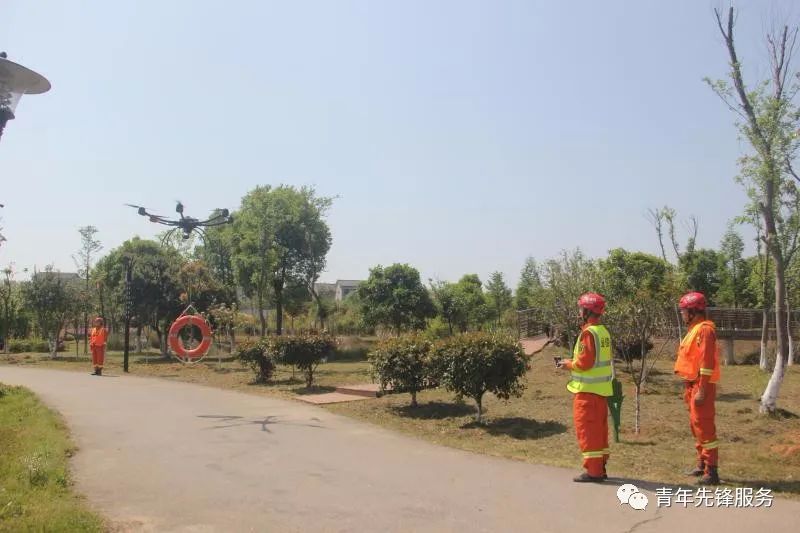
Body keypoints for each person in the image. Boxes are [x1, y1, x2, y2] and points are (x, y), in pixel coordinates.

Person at [557, 292, 614, 482]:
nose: (579, 312)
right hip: (601, 392)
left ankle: (594, 472)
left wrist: (568, 364)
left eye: (581, 309)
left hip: (587, 393)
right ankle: (600, 467)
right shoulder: (603, 332)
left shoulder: (588, 333)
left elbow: (585, 363)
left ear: (587, 311)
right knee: (599, 432)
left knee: (588, 432)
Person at [675, 292, 721, 485]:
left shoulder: (705, 331)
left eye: (684, 311)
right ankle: (702, 463)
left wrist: (702, 390)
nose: (682, 314)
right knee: (696, 426)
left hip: (702, 386)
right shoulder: (695, 330)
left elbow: (707, 362)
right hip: (692, 384)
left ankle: (712, 471)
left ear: (693, 312)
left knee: (704, 427)